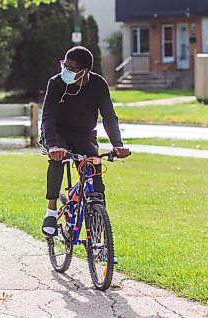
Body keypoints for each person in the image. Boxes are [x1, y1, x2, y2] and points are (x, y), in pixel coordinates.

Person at [40, 46, 131, 237]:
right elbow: (47, 117)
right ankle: (51, 211)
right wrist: (52, 145)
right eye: (65, 65)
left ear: (85, 71)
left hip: (84, 134)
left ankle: (99, 235)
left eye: (71, 68)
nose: (66, 70)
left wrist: (117, 144)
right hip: (58, 132)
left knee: (94, 171)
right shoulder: (56, 83)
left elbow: (109, 117)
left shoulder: (98, 84)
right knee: (57, 159)